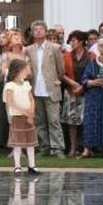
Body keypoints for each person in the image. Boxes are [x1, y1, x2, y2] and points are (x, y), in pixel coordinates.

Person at [24, 21, 66, 158]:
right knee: (39, 121)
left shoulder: (55, 48)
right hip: (35, 90)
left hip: (51, 89)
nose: (38, 31)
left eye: (40, 29)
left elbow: (61, 69)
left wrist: (56, 79)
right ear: (32, 33)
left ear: (46, 32)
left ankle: (58, 148)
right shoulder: (29, 49)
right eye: (35, 29)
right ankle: (44, 147)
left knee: (54, 120)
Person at [4, 59, 39, 175]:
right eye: (25, 69)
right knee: (18, 142)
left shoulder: (26, 84)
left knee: (30, 142)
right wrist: (24, 111)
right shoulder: (10, 86)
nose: (27, 71)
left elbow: (31, 99)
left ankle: (32, 165)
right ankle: (17, 165)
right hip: (18, 116)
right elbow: (11, 102)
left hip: (28, 116)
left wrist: (31, 112)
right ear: (18, 71)